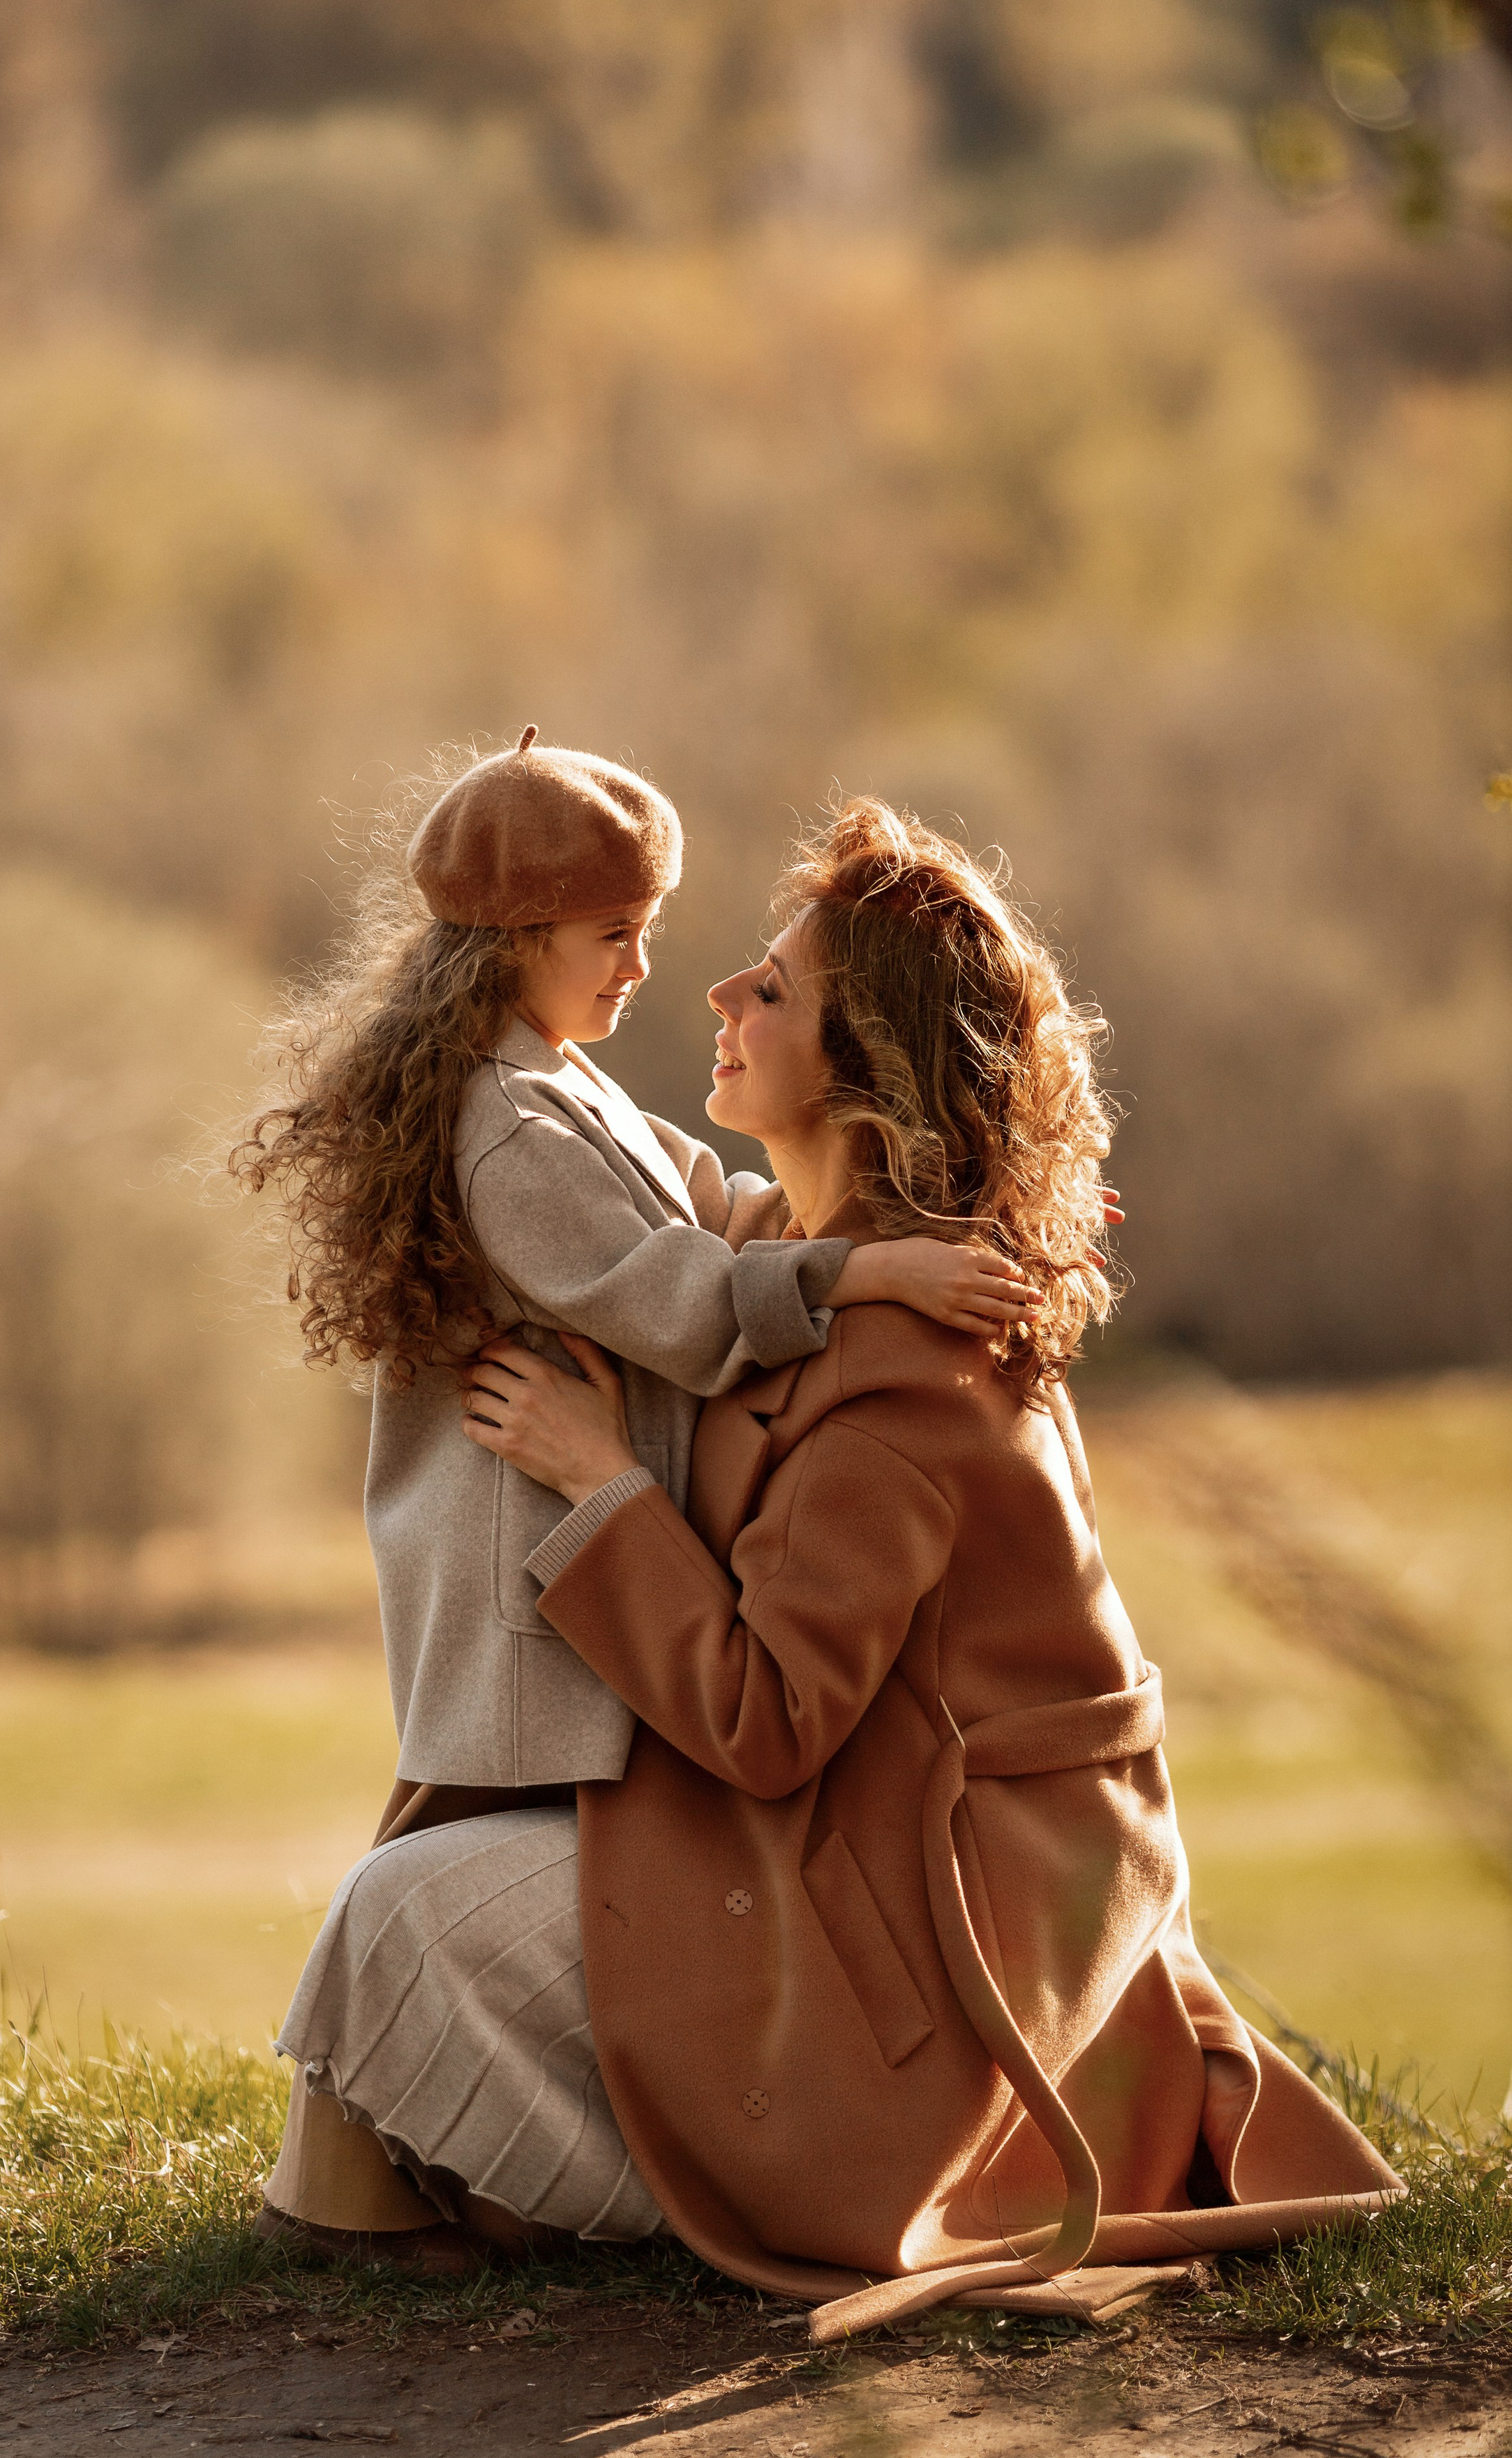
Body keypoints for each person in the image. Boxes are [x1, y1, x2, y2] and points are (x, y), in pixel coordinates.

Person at [300, 796, 1400, 2322]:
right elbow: (701, 1246)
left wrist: (594, 1478)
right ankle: (501, 2180)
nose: (713, 992)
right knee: (420, 1879)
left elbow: (766, 1722)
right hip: (835, 1844)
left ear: (861, 1063)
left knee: (405, 1914)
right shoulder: (810, 1268)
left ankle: (700, 2193)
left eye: (770, 986)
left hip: (922, 1931)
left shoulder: (902, 1372)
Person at [234, 738, 1042, 2266]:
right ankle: (357, 2195)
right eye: (614, 932)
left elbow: (715, 1208)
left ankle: (365, 2189)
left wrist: (898, 1226)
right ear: (515, 941)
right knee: (468, 1851)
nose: (649, 967)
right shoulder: (509, 1129)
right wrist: (865, 1270)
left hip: (574, 1567)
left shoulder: (559, 1090)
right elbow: (679, 1295)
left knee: (453, 1859)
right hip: (528, 1572)